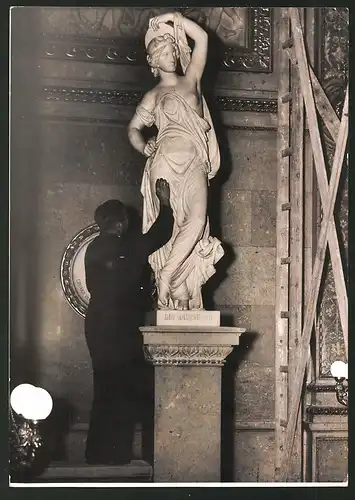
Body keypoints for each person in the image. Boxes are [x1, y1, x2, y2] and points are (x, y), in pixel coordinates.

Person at [127, 11, 224, 312]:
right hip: (165, 160)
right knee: (174, 226)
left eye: (172, 50)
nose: (170, 57)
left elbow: (203, 38)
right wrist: (144, 147)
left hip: (195, 159)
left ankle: (168, 275)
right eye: (163, 53)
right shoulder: (153, 95)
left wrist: (173, 17)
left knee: (196, 221)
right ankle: (179, 290)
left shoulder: (192, 79)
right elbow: (133, 129)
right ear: (154, 62)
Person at [84, 178, 173, 465]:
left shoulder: (94, 249)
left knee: (105, 387)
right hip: (119, 327)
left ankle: (98, 452)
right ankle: (116, 454)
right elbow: (158, 235)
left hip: (97, 324)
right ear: (120, 224)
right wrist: (166, 203)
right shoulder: (124, 247)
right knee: (123, 389)